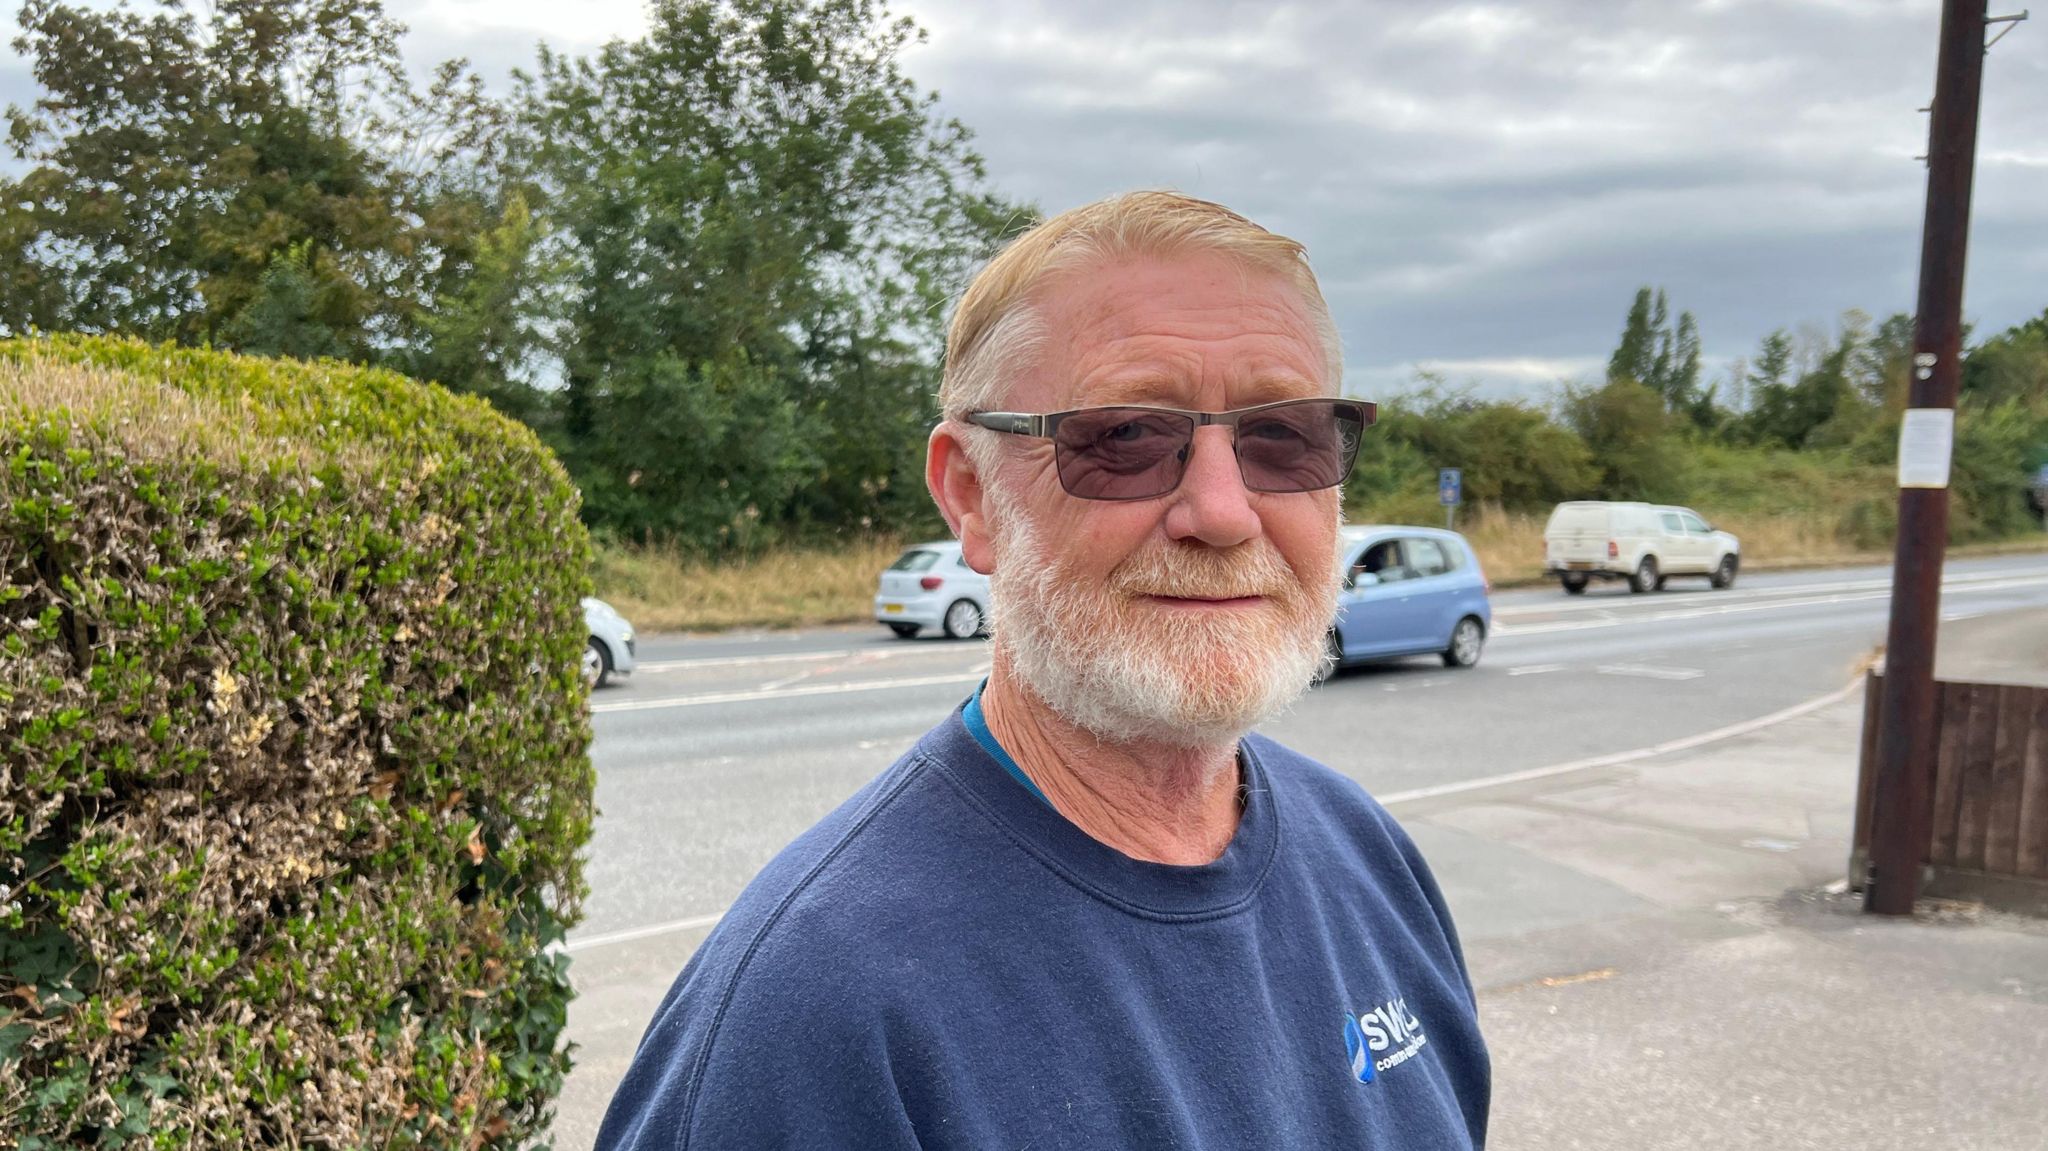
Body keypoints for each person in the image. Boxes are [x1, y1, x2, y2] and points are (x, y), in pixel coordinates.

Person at [597, 192, 1491, 1149]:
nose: (1224, 512)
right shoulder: (815, 1016)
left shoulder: (1369, 857)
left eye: (1283, 437)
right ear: (971, 495)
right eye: (1126, 439)